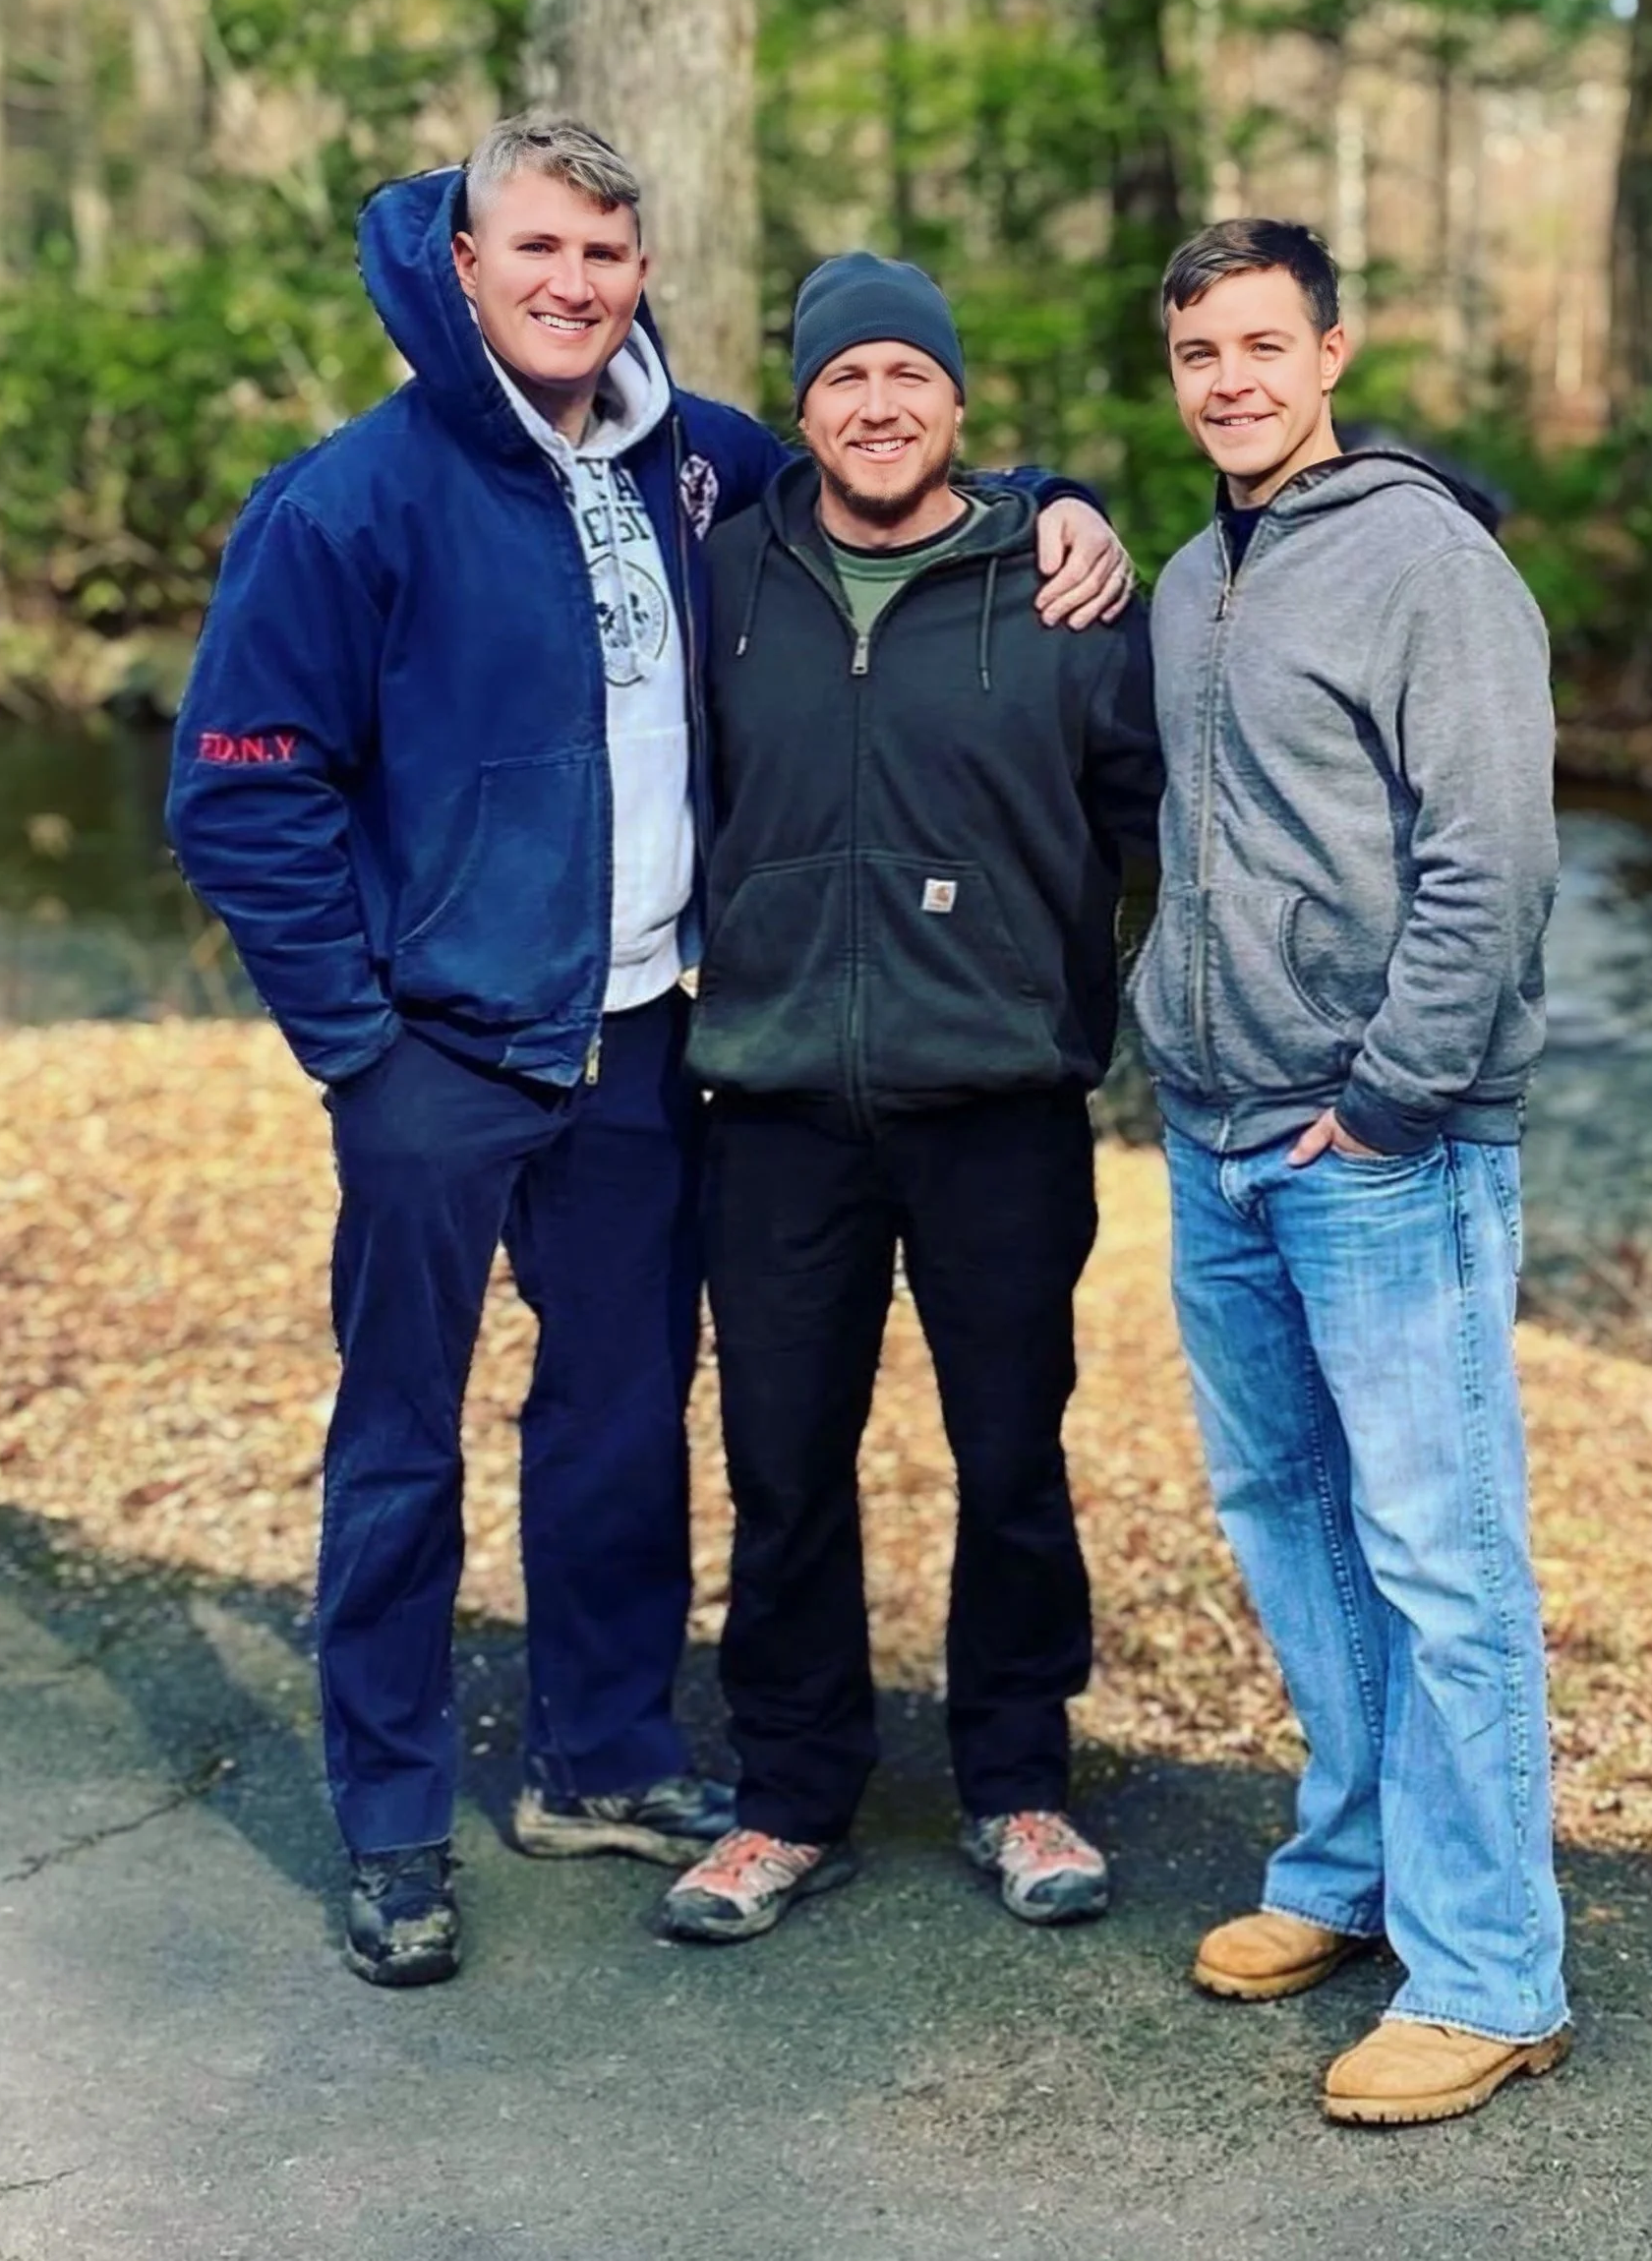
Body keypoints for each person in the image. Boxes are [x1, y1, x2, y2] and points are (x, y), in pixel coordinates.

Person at [166, 123, 1128, 1991]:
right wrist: (359, 1033)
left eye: (607, 251)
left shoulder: (702, 463)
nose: (574, 282)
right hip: (438, 1045)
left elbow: (908, 471)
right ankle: (390, 1817)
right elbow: (244, 792)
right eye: (538, 248)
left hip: (642, 1037)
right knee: (401, 1444)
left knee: (618, 1415)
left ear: (642, 267)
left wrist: (1071, 495)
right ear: (462, 261)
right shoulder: (353, 499)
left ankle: (600, 1758)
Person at [655, 253, 1163, 1947]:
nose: (880, 405)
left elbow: (1160, 820)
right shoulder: (726, 576)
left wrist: (1130, 1020)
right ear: (802, 407)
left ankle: (1016, 1777)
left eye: (911, 376)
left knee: (1009, 1451)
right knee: (783, 1461)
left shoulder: (1066, 589)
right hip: (778, 1097)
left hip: (1000, 1100)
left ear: (958, 402)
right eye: (846, 378)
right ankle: (786, 1797)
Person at [1129, 215, 1569, 2127]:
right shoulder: (1182, 575)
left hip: (1375, 1145)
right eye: (1195, 354)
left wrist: (1390, 1098)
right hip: (1211, 1129)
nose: (1227, 380)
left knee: (1437, 1555)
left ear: (1330, 352)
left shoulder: (1429, 564)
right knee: (1284, 1519)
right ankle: (1354, 1863)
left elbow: (1494, 860)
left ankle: (1489, 1975)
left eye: (1258, 344)